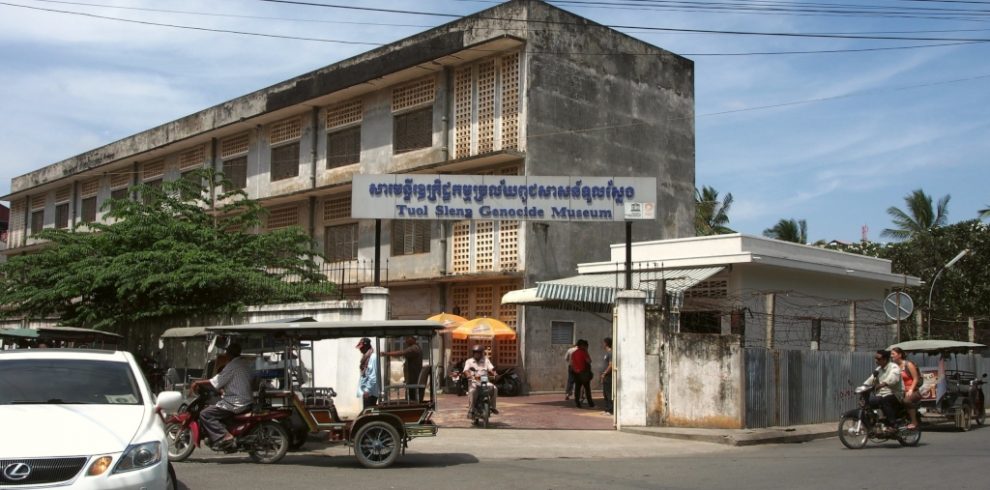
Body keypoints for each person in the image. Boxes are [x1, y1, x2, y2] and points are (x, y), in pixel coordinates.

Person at [187, 343, 254, 449]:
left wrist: (198, 383)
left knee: (205, 414)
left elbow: (216, 381)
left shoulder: (232, 366)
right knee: (216, 405)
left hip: (236, 402)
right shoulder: (243, 364)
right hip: (245, 399)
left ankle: (225, 436)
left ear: (229, 354)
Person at [862, 349, 903, 432]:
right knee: (866, 402)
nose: (876, 361)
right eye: (875, 358)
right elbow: (871, 379)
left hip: (896, 394)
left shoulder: (894, 367)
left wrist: (883, 384)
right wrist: (863, 387)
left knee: (885, 400)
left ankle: (893, 424)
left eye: (878, 359)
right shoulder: (878, 369)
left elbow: (893, 378)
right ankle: (872, 424)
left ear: (885, 359)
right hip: (881, 394)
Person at [463, 344, 498, 419]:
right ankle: (471, 410)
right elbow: (466, 370)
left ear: (482, 353)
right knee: (472, 391)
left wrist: (494, 373)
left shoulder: (486, 360)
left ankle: (493, 407)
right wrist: (468, 375)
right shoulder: (469, 361)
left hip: (484, 380)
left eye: (479, 352)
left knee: (494, 388)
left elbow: (491, 369)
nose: (477, 354)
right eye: (475, 352)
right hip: (473, 381)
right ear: (473, 353)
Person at [385, 336, 423, 401]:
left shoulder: (414, 348)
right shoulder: (413, 347)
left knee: (412, 400)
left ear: (413, 339)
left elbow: (401, 353)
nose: (405, 340)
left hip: (414, 381)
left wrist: (387, 354)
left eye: (407, 338)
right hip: (411, 381)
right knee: (410, 399)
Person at [891, 346, 921, 429]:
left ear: (899, 355)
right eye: (891, 354)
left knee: (906, 400)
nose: (891, 356)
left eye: (893, 354)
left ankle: (914, 422)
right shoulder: (893, 366)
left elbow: (916, 378)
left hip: (913, 390)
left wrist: (911, 389)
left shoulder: (908, 364)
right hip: (900, 391)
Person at [356, 337, 380, 409]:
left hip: (370, 392)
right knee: (367, 411)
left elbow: (373, 376)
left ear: (366, 346)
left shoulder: (372, 357)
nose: (360, 349)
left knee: (368, 412)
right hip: (367, 391)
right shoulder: (366, 357)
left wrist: (367, 390)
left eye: (362, 347)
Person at [571, 339, 594, 408]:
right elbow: (589, 361)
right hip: (584, 373)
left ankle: (577, 403)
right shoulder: (583, 352)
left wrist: (575, 370)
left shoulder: (574, 353)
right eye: (586, 346)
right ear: (583, 346)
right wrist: (587, 352)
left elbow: (572, 363)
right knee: (587, 389)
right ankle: (591, 403)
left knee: (577, 388)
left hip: (576, 373)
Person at [601, 337, 613, 415]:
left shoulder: (610, 353)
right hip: (605, 375)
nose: (603, 344)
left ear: (606, 343)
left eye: (603, 343)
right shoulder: (606, 353)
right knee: (605, 393)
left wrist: (605, 372)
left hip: (609, 375)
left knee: (608, 393)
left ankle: (610, 409)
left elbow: (611, 365)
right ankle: (606, 409)